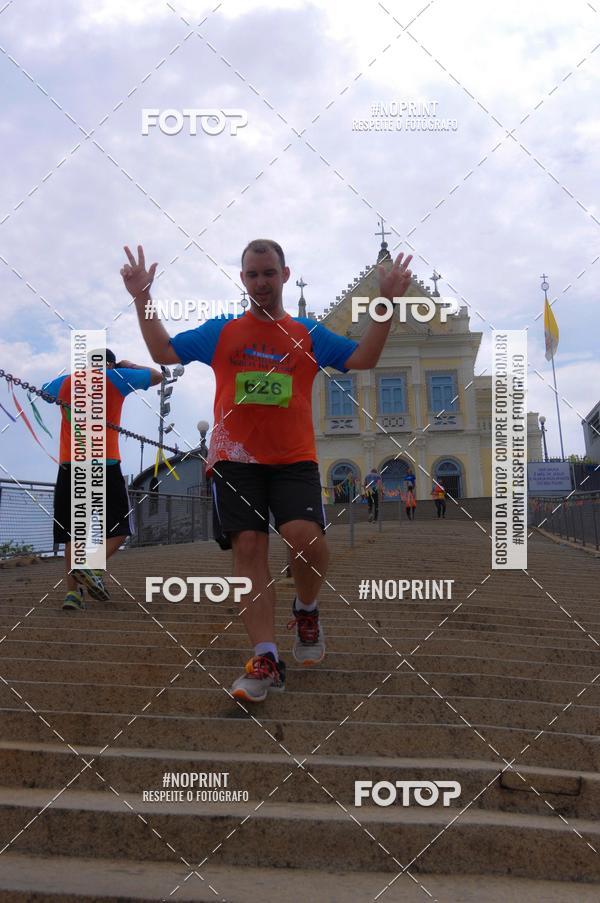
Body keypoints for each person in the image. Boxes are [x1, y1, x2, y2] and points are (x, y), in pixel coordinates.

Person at [121, 240, 413, 703]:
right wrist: (142, 297)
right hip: (235, 460)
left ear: (284, 274)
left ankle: (307, 609)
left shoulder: (308, 332)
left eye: (269, 273)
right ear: (243, 279)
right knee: (250, 547)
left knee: (307, 541)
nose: (261, 282)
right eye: (253, 274)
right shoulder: (222, 332)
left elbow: (364, 359)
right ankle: (265, 656)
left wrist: (386, 304)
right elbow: (163, 350)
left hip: (293, 459)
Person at [43, 350, 161, 611]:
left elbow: (43, 390)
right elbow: (157, 376)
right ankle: (92, 566)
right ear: (109, 363)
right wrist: (127, 364)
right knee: (119, 528)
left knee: (72, 534)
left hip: (70, 465)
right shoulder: (116, 377)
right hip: (104, 465)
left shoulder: (66, 382)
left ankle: (72, 595)